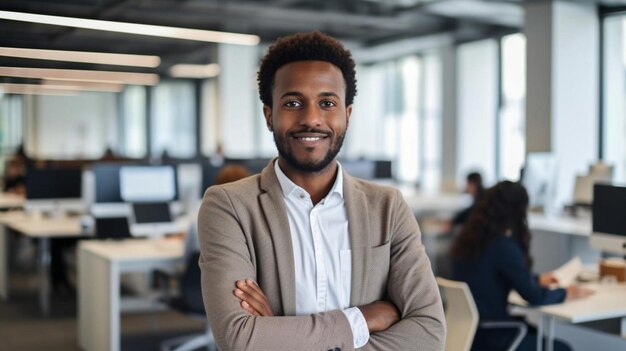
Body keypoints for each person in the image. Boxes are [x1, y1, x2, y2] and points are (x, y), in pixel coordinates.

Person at [197, 31, 445, 351]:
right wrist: (362, 319)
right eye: (293, 103)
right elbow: (240, 339)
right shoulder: (229, 206)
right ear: (269, 115)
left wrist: (278, 335)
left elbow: (429, 334)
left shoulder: (387, 207)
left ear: (347, 115)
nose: (311, 118)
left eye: (327, 103)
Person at [451, 181, 593, 350]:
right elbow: (534, 296)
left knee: (537, 334)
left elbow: (495, 276)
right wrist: (566, 292)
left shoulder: (470, 240)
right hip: (494, 337)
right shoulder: (503, 246)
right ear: (518, 211)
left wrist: (537, 279)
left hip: (471, 335)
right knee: (562, 348)